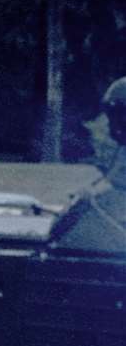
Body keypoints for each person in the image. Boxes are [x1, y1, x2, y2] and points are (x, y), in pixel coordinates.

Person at [46, 76, 126, 251]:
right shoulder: (122, 151)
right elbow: (114, 183)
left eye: (117, 115)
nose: (111, 124)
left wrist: (89, 198)